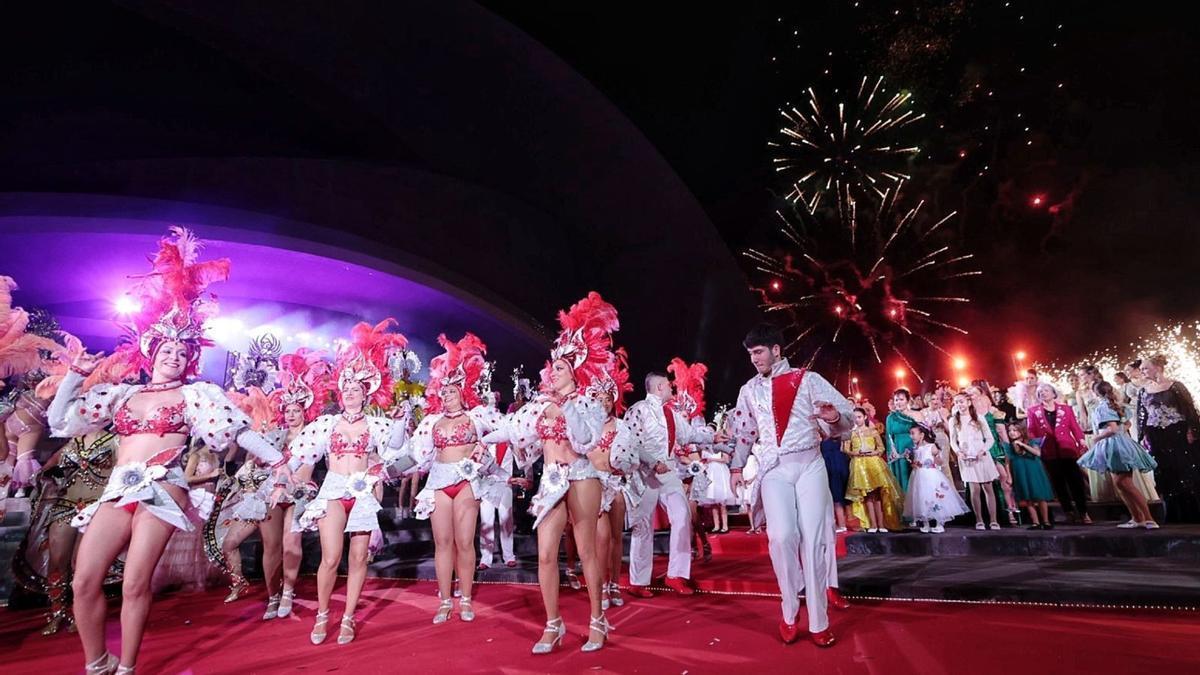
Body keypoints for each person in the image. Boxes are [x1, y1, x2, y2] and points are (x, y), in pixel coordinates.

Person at [45, 227, 288, 675]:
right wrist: (73, 377)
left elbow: (236, 431)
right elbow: (61, 422)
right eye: (167, 348)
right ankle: (97, 663)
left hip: (165, 488)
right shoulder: (119, 396)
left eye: (182, 350)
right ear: (151, 351)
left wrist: (277, 459)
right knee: (83, 581)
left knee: (137, 583)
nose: (174, 355)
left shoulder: (197, 396)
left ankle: (128, 669)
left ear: (190, 358)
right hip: (118, 489)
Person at [485, 292, 620, 653]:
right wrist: (481, 434)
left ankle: (596, 621)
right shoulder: (538, 405)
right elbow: (514, 430)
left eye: (559, 368)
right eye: (552, 367)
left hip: (581, 474)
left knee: (588, 551)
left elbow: (587, 439)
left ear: (574, 373)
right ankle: (553, 624)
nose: (552, 372)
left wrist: (564, 412)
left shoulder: (587, 403)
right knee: (546, 554)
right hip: (551, 479)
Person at [728, 323, 852, 648]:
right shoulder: (748, 390)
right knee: (781, 538)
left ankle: (819, 622)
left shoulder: (807, 379)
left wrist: (833, 418)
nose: (754, 359)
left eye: (758, 352)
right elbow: (743, 432)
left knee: (813, 540)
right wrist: (736, 466)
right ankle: (789, 609)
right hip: (773, 469)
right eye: (750, 354)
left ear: (776, 350)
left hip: (810, 463)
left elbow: (847, 416)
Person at [291, 320, 412, 645]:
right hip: (333, 491)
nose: (349, 393)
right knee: (331, 558)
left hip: (361, 495)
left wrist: (401, 420)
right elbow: (302, 452)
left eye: (355, 389)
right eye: (345, 389)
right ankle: (322, 614)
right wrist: (281, 471)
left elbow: (398, 446)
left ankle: (348, 618)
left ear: (365, 393)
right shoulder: (326, 424)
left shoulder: (376, 424)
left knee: (358, 558)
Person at [406, 333, 506, 623]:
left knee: (465, 542)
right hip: (438, 481)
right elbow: (415, 455)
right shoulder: (430, 422)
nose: (447, 395)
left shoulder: (478, 417)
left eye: (452, 391)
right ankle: (444, 600)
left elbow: (508, 430)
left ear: (463, 392)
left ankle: (464, 598)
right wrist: (387, 469)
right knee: (443, 543)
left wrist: (484, 450)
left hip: (465, 482)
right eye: (444, 391)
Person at [12, 428, 118, 635]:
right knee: (57, 562)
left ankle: (83, 614)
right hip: (66, 505)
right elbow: (46, 470)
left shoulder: (116, 441)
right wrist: (50, 474)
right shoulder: (72, 442)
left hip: (95, 508)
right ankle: (57, 613)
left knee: (82, 565)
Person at [585, 348, 637, 611]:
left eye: (608, 398)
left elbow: (629, 456)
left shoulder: (622, 427)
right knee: (601, 538)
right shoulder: (585, 427)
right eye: (599, 398)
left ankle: (614, 584)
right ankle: (601, 586)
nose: (603, 403)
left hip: (615, 484)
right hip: (593, 485)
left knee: (616, 538)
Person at [1078, 381, 1159, 528]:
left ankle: (1148, 518)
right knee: (1120, 483)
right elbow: (1127, 424)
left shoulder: (1103, 406)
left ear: (1096, 392)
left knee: (1125, 483)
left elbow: (1113, 429)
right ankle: (1137, 518)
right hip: (1122, 443)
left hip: (1115, 445)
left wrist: (1097, 437)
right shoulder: (1115, 405)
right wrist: (1121, 430)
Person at [1137, 353, 1200, 522]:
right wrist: (1143, 435)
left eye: (1145, 368)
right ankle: (1173, 513)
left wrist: (1192, 430)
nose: (1142, 371)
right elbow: (1142, 415)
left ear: (1157, 367)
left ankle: (1192, 513)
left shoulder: (1175, 386)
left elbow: (1189, 409)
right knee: (1165, 471)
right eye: (1141, 369)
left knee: (1185, 470)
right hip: (1157, 435)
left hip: (1177, 432)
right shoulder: (1143, 390)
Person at [1026, 382, 1091, 525]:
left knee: (1076, 482)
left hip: (1067, 449)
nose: (1043, 393)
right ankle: (1068, 511)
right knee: (1058, 483)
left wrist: (1081, 440)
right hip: (1049, 451)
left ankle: (1083, 512)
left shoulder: (1066, 409)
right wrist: (1035, 446)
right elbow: (1031, 431)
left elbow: (1074, 426)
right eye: (1041, 391)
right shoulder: (1033, 411)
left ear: (1054, 393)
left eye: (1046, 390)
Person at [843, 408, 903, 532]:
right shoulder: (850, 433)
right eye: (855, 417)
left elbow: (881, 448)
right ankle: (873, 524)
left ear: (865, 417)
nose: (857, 420)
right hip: (859, 464)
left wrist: (873, 452)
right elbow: (845, 449)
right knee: (868, 495)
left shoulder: (872, 431)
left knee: (878, 494)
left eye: (859, 417)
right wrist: (855, 453)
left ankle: (881, 524)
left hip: (873, 463)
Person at [948, 392, 1001, 530]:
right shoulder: (954, 420)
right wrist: (958, 452)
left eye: (961, 401)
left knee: (987, 487)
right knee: (974, 489)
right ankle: (979, 520)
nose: (959, 404)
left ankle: (993, 520)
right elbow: (953, 440)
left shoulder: (979, 418)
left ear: (968, 402)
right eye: (956, 402)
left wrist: (983, 450)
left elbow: (990, 438)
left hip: (981, 455)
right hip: (966, 457)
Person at [903, 423, 970, 533]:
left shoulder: (931, 447)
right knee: (921, 497)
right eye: (910, 434)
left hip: (930, 476)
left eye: (913, 433)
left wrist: (936, 459)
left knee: (935, 496)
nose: (911, 436)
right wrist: (913, 463)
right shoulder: (914, 449)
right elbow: (915, 462)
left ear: (922, 435)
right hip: (919, 476)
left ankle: (939, 523)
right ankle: (925, 523)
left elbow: (940, 461)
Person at [968, 382, 1019, 525]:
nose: (972, 397)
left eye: (974, 394)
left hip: (994, 447)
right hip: (977, 448)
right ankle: (986, 517)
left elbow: (1001, 430)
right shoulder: (968, 413)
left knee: (1003, 477)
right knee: (981, 483)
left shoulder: (992, 411)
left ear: (982, 394)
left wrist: (1008, 448)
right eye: (970, 395)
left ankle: (1009, 512)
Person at [479, 392, 518, 570]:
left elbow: (523, 459)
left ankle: (508, 555)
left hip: (505, 484)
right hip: (486, 484)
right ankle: (485, 558)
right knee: (486, 521)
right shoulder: (483, 440)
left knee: (506, 520)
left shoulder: (510, 439)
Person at [1004, 422, 1056, 529]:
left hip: (1033, 470)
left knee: (1040, 496)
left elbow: (1037, 453)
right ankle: (1035, 522)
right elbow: (1007, 462)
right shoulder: (1009, 446)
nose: (1011, 433)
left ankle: (1046, 521)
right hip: (1020, 471)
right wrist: (1009, 476)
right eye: (1010, 431)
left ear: (1021, 431)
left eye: (1014, 430)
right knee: (1027, 498)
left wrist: (1023, 445)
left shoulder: (1032, 442)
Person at [884, 389, 919, 494]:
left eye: (901, 399)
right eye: (896, 400)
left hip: (913, 448)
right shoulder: (891, 417)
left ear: (907, 401)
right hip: (898, 451)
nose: (898, 402)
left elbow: (921, 432)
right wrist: (894, 452)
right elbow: (889, 436)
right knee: (902, 478)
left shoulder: (915, 415)